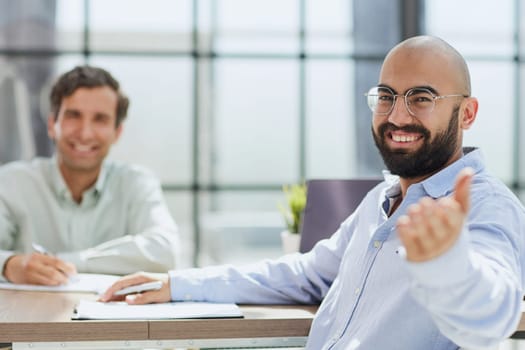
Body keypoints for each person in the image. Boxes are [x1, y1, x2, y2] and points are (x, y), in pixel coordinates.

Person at [101, 36, 525, 349]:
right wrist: (179, 284)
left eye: (421, 98)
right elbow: (307, 275)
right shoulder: (380, 201)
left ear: (466, 113)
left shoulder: (487, 208)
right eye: (387, 96)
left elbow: (491, 317)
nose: (398, 115)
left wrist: (447, 264)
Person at [0, 65, 180, 286]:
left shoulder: (137, 183)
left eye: (100, 119)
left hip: (114, 319)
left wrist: (68, 263)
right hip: (29, 318)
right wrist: (8, 265)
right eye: (73, 116)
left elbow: (165, 252)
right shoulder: (11, 183)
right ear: (51, 125)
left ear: (117, 132)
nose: (85, 133)